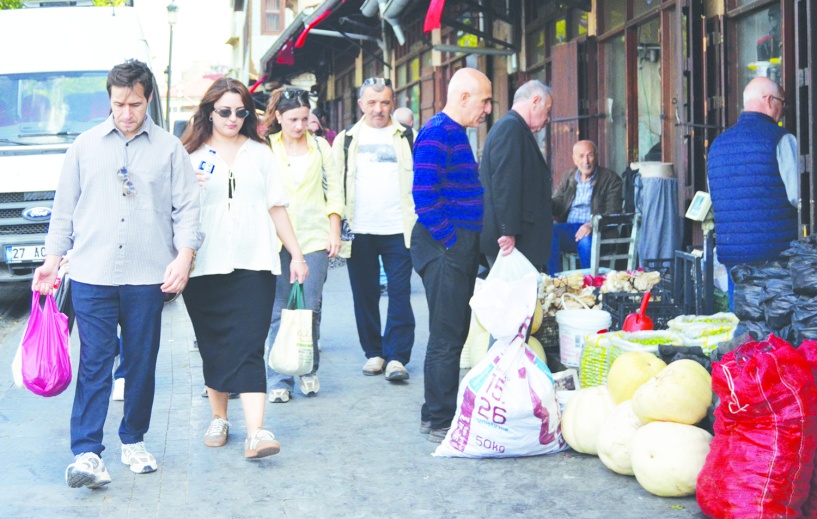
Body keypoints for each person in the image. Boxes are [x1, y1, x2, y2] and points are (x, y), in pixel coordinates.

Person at [32, 60, 202, 489]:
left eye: (136, 104)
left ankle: (134, 439)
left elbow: (187, 209)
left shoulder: (169, 149)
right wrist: (52, 261)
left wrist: (184, 257)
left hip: (148, 275)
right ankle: (87, 452)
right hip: (92, 272)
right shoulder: (84, 146)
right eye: (119, 103)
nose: (127, 113)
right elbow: (63, 209)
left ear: (149, 100)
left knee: (141, 362)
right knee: (95, 361)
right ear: (109, 100)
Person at [181, 78, 308, 458]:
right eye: (224, 111)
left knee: (250, 343)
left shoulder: (261, 154)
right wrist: (189, 189)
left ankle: (257, 431)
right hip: (204, 265)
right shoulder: (190, 157)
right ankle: (219, 416)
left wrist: (297, 255)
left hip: (255, 262)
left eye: (240, 111)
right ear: (209, 112)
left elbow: (276, 207)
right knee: (214, 345)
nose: (233, 118)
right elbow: (173, 211)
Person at [411, 67, 492, 442]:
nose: (488, 109)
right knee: (446, 336)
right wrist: (451, 242)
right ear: (462, 97)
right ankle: (440, 419)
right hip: (444, 246)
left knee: (454, 332)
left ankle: (439, 413)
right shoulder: (438, 132)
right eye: (484, 100)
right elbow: (424, 197)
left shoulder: (453, 132)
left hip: (454, 245)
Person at [330, 78, 416, 381]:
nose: (378, 109)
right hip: (360, 229)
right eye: (372, 102)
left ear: (392, 102)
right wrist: (337, 230)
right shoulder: (346, 139)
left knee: (400, 293)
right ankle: (374, 353)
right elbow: (336, 189)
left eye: (385, 102)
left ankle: (397, 357)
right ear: (361, 104)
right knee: (364, 295)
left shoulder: (408, 136)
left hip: (399, 228)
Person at [263, 88, 343, 403]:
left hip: (313, 235)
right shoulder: (266, 148)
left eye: (305, 118)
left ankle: (307, 367)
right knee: (279, 310)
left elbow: (335, 190)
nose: (299, 126)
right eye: (293, 119)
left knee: (309, 307)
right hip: (275, 238)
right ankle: (279, 378)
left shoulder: (321, 147)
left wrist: (334, 231)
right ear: (279, 117)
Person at [707, 76, 797, 308]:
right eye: (782, 103)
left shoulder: (718, 144)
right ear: (769, 101)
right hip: (775, 254)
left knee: (743, 322)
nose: (783, 110)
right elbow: (799, 196)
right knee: (775, 328)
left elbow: (715, 196)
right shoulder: (781, 139)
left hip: (732, 255)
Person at [479, 80, 554, 271]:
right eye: (548, 110)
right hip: (511, 243)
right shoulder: (510, 128)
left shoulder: (514, 127)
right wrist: (508, 231)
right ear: (535, 101)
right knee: (515, 298)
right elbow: (505, 183)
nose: (548, 118)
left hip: (517, 240)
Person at [548, 140, 623, 274]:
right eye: (581, 156)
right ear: (574, 159)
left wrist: (591, 224)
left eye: (590, 155)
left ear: (596, 156)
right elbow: (557, 203)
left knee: (586, 243)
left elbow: (613, 212)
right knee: (547, 233)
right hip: (570, 229)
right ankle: (555, 282)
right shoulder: (569, 176)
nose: (586, 161)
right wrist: (543, 202)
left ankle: (591, 287)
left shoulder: (610, 179)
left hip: (597, 231)